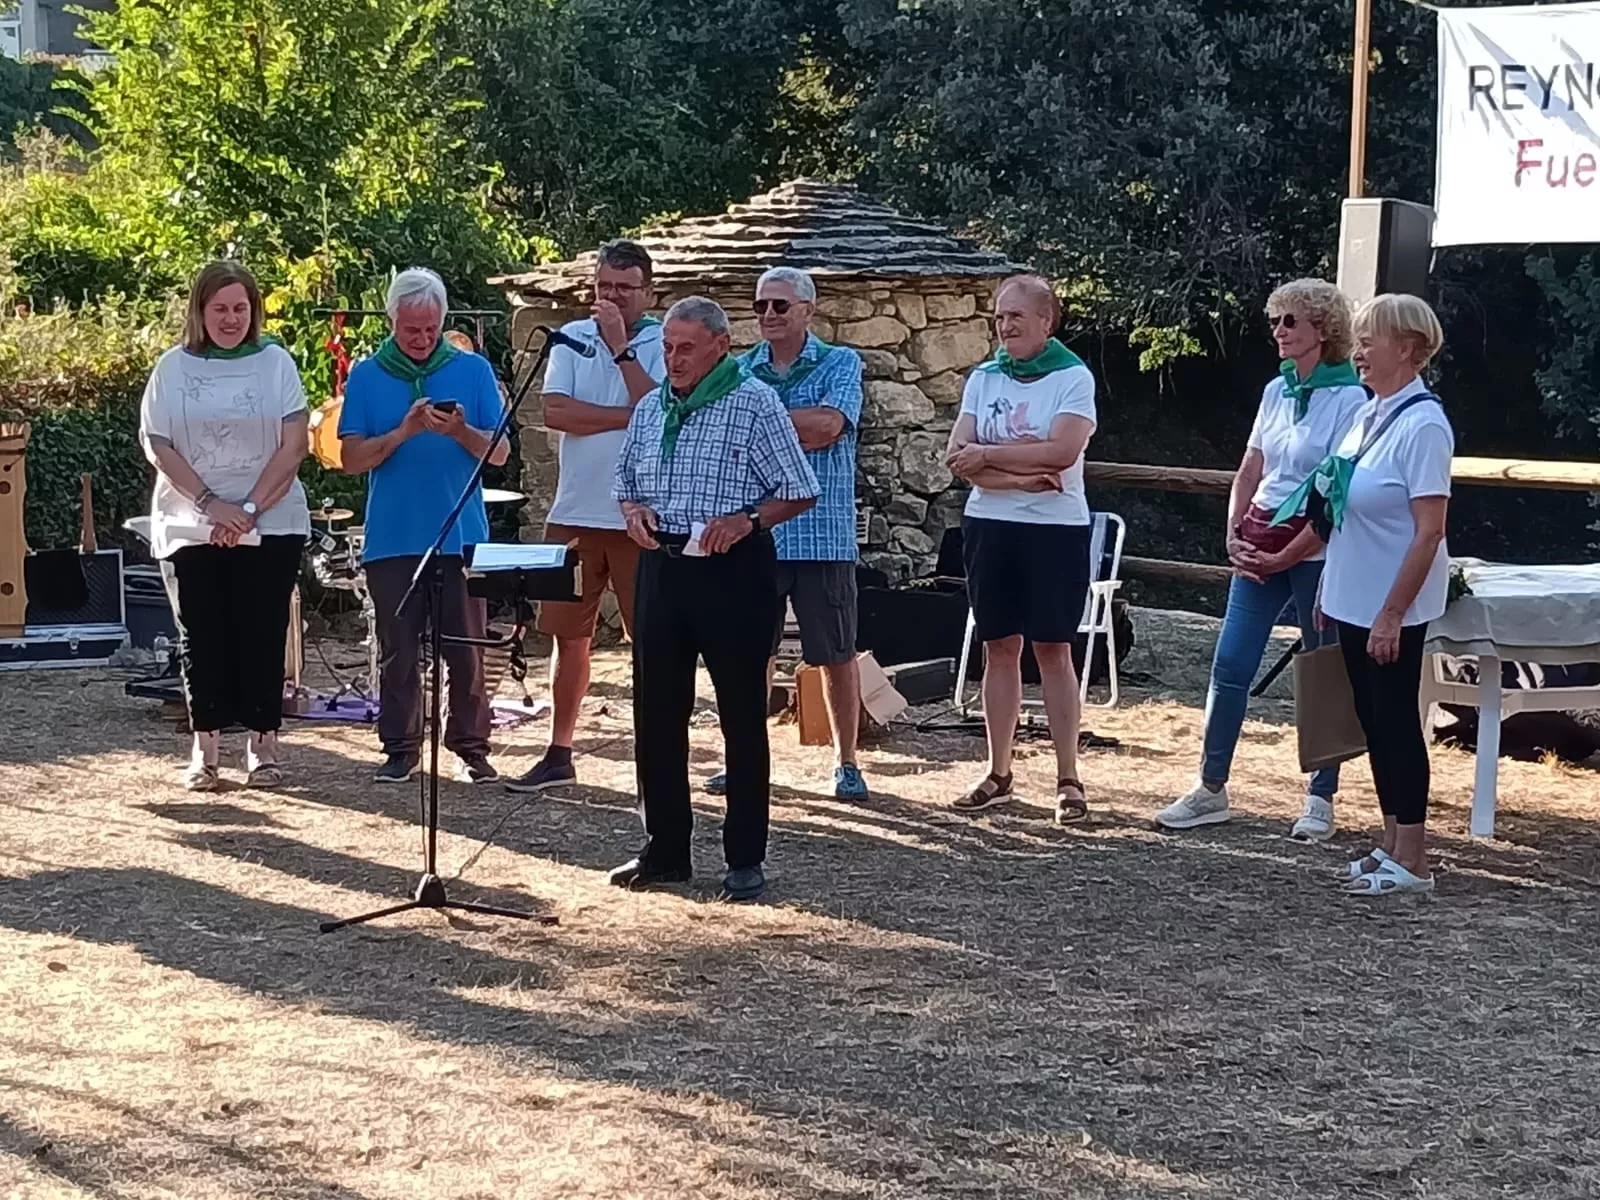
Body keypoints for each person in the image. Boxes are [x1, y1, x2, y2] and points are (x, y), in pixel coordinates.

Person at [609, 296, 820, 902]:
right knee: (655, 712)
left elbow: (799, 489)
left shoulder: (754, 403)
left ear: (720, 347)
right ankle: (665, 850)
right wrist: (634, 513)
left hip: (732, 570)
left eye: (685, 349)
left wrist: (747, 520)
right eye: (667, 348)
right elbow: (625, 484)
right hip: (663, 567)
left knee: (741, 716)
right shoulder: (651, 408)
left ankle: (745, 856)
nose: (673, 359)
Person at [1155, 279, 1368, 840]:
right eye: (1275, 321)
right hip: (1259, 543)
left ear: (1322, 330)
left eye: (1290, 321)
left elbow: (1336, 491)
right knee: (1230, 665)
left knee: (1323, 672)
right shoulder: (1276, 391)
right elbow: (1251, 469)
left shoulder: (1351, 399)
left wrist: (1292, 553)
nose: (1278, 331)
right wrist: (1232, 534)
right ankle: (1210, 787)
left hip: (1315, 552)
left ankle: (1321, 798)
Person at [138, 260, 311, 791]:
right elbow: (158, 441)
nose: (231, 318)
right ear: (201, 312)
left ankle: (263, 746)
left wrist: (251, 510)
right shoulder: (172, 367)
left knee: (261, 633)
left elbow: (295, 443)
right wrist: (212, 505)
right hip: (192, 522)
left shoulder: (276, 363)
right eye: (220, 309)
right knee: (202, 635)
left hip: (271, 521)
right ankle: (205, 749)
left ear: (253, 311)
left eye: (240, 308)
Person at [700, 267, 868, 800]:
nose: (768, 315)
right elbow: (736, 431)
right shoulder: (738, 368)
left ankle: (847, 763)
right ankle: (744, 759)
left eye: (779, 305)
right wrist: (788, 422)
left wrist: (760, 421)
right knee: (748, 653)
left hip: (822, 534)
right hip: (756, 531)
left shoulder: (842, 362)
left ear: (807, 310)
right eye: (760, 307)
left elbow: (829, 428)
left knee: (837, 653)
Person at [339, 268, 508, 785]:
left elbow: (499, 453)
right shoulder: (368, 375)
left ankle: (470, 747)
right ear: (392, 321)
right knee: (399, 649)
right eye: (411, 329)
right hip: (394, 536)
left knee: (468, 648)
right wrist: (403, 431)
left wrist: (461, 431)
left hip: (461, 534)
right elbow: (350, 458)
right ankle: (400, 747)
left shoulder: (473, 370)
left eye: (431, 328)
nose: (421, 339)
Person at [507, 240, 664, 793]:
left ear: (648, 290)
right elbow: (555, 412)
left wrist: (622, 351)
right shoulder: (570, 338)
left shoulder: (663, 341)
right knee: (566, 637)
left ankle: (656, 753)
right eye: (604, 287)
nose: (613, 297)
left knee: (649, 638)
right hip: (575, 511)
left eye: (624, 288)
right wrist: (628, 416)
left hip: (641, 516)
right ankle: (559, 751)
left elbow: (662, 410)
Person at [944, 274, 1097, 824]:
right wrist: (1012, 475)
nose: (1004, 325)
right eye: (999, 316)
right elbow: (956, 454)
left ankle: (1068, 777)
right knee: (999, 647)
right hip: (991, 524)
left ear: (1044, 322)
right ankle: (998, 771)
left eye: (1015, 316)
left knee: (1053, 651)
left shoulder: (1072, 377)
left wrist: (989, 460)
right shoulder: (984, 377)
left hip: (1054, 531)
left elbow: (1062, 452)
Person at [1314, 293, 1452, 896]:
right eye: (1359, 339)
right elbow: (1343, 507)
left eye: (1371, 340)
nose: (1359, 351)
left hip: (1391, 604)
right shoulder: (1368, 414)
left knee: (1396, 721)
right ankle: (1392, 840)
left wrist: (1392, 613)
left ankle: (1415, 858)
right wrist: (1328, 583)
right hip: (1351, 594)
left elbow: (1429, 532)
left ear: (1409, 349)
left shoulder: (1424, 425)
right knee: (1372, 720)